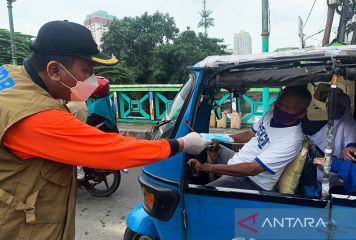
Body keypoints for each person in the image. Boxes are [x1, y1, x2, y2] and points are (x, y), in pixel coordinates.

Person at [0, 21, 210, 240]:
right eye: (87, 71)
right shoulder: (33, 116)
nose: (91, 81)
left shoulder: (11, 76)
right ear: (54, 70)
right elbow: (112, 150)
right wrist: (182, 144)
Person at [188, 86, 312, 191]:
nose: (281, 109)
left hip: (251, 181)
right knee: (212, 148)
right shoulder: (273, 111)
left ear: (301, 114)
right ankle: (216, 183)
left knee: (199, 195)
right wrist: (220, 139)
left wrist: (207, 167)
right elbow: (249, 134)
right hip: (238, 159)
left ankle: (215, 188)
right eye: (279, 104)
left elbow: (252, 169)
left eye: (288, 108)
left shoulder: (291, 140)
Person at [310, 92, 356, 187]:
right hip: (325, 162)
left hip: (337, 171)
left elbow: (351, 157)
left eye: (337, 106)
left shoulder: (350, 127)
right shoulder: (333, 122)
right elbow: (316, 138)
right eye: (329, 105)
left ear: (345, 107)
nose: (331, 109)